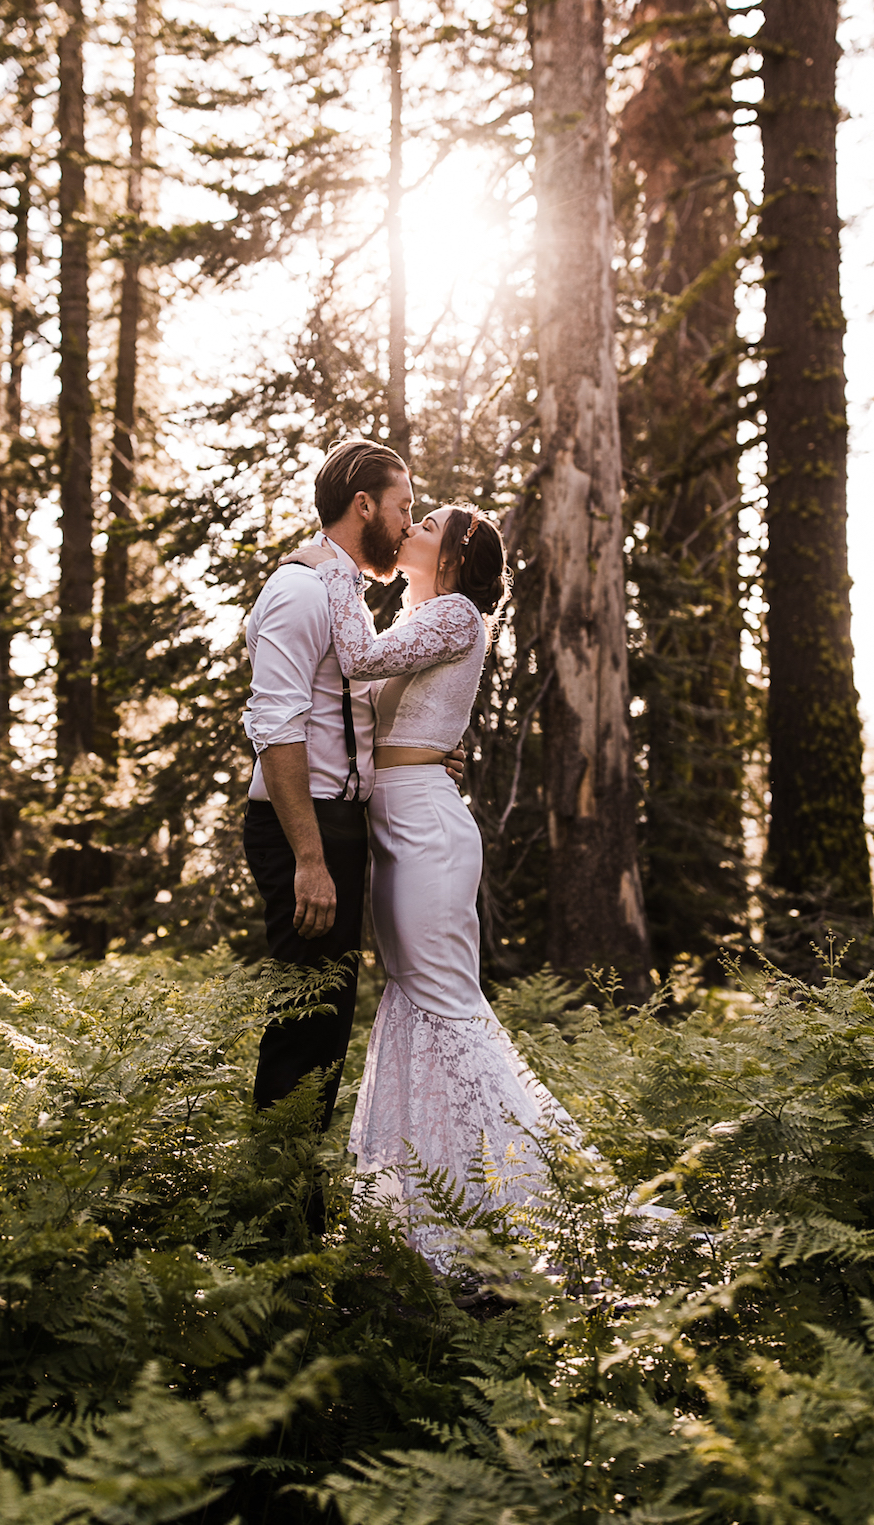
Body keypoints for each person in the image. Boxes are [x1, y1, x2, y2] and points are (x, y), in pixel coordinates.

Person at [295, 503, 586, 1265]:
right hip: (403, 822)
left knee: (444, 1007)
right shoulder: (429, 618)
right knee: (413, 1003)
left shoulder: (455, 613)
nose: (410, 530)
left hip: (426, 831)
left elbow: (357, 658)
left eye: (425, 525)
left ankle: (517, 1211)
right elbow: (380, 704)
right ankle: (426, 1211)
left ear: (454, 552)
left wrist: (333, 568)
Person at [239, 438, 411, 1234]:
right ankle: (269, 1225)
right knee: (304, 1020)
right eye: (402, 505)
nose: (408, 523)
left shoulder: (346, 594)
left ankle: (299, 1211)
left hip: (337, 826)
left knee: (329, 1020)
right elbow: (275, 729)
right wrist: (309, 856)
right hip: (298, 825)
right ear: (364, 504)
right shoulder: (300, 592)